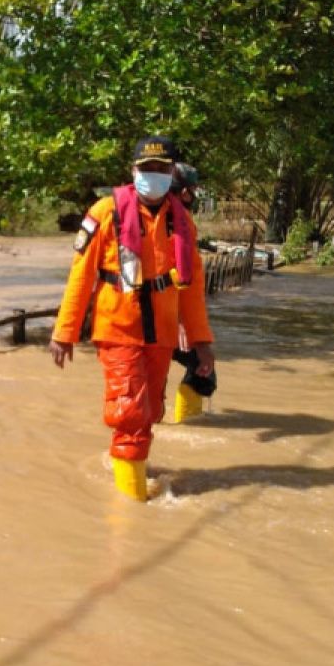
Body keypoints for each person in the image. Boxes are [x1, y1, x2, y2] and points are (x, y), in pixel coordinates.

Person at [49, 136, 215, 501]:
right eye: (147, 169)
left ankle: (130, 466)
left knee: (151, 408)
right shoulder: (105, 212)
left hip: (163, 332)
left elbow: (192, 287)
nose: (154, 175)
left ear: (172, 173)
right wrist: (65, 332)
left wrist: (202, 342)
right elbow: (81, 275)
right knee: (130, 411)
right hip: (118, 326)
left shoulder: (182, 220)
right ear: (133, 171)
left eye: (162, 169)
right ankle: (132, 507)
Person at [169, 163, 217, 422]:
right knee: (203, 371)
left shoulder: (158, 217)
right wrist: (182, 323)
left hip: (144, 321)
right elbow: (175, 276)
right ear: (186, 192)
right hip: (167, 320)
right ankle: (187, 427)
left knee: (147, 382)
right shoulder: (178, 223)